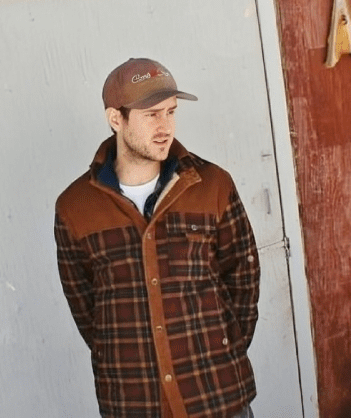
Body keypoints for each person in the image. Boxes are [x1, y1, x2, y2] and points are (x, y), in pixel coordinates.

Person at [54, 58, 260, 418]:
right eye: (151, 115)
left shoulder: (212, 186)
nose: (165, 127)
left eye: (171, 112)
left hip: (216, 397)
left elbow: (243, 281)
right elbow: (88, 311)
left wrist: (217, 351)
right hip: (134, 404)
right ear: (116, 119)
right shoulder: (75, 207)